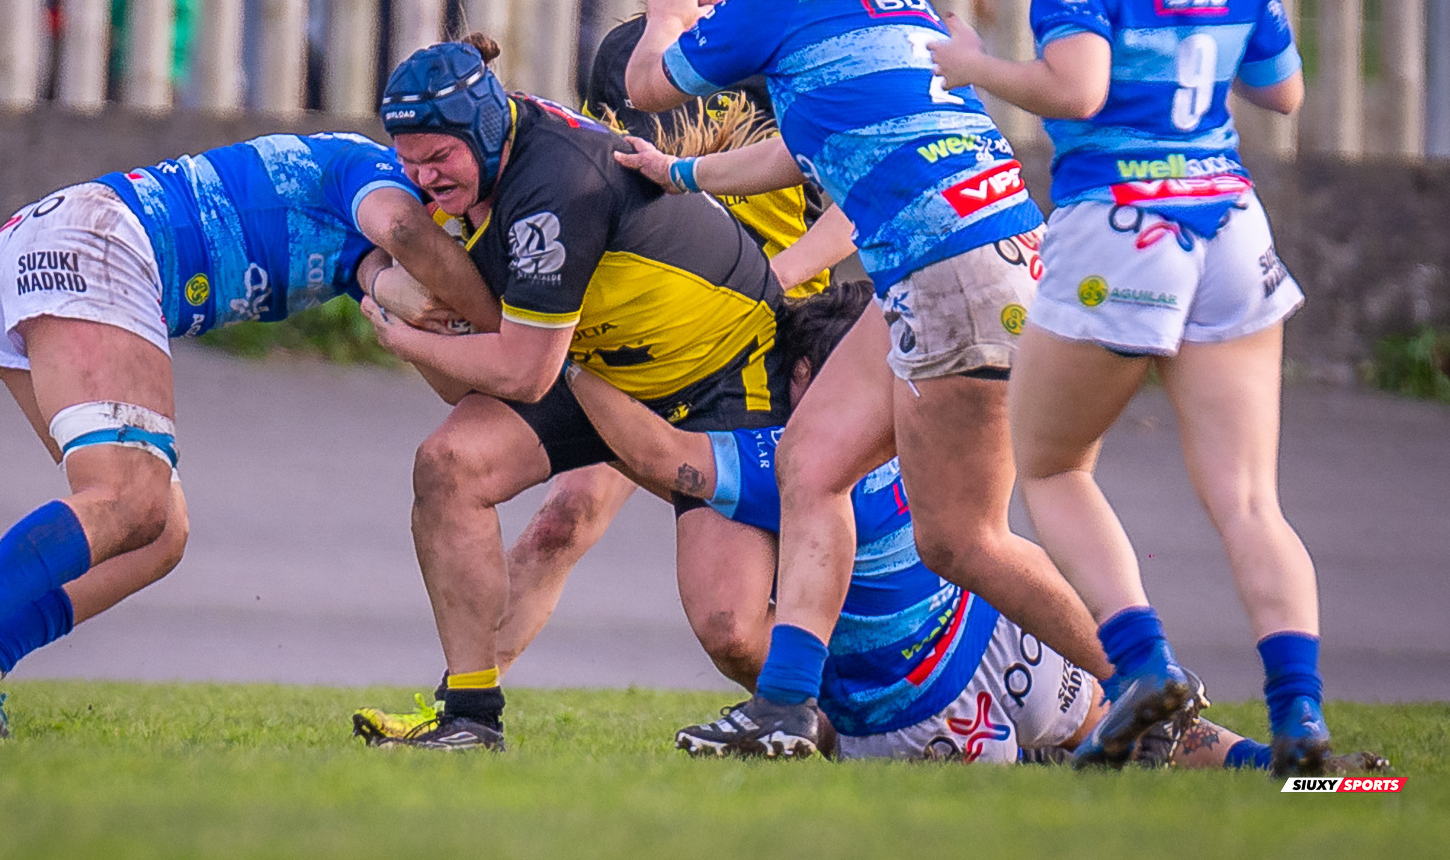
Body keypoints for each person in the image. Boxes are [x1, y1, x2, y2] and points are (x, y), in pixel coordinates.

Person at [620, 0, 1110, 759]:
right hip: (993, 258)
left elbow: (649, 82)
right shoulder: (903, 6)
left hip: (952, 274)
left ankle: (1141, 682)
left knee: (961, 541)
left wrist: (663, 8)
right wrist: (681, 179)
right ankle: (787, 709)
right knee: (815, 461)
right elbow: (803, 147)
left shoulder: (782, 2)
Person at [926, 0, 1327, 774]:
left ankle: (1141, 663)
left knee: (1051, 464)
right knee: (1248, 499)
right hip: (1229, 227)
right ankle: (1303, 728)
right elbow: (1282, 92)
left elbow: (1080, 88)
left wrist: (972, 65)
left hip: (1123, 230)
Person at [560, 281, 1385, 772]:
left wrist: (567, 357)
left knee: (1080, 755)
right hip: (998, 633)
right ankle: (1303, 772)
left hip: (910, 710)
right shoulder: (924, 426)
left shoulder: (789, 456)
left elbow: (661, 453)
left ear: (804, 374)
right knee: (1161, 739)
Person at [0, 132, 498, 738]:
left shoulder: (360, 250)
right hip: (97, 242)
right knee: (129, 498)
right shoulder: (381, 179)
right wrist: (510, 324)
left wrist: (434, 317)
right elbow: (408, 232)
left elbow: (423, 333)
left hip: (41, 245)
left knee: (157, 531)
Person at [350, 36, 793, 751]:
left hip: (722, 366)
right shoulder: (473, 179)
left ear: (487, 132)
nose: (424, 179)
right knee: (451, 465)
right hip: (603, 368)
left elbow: (522, 373)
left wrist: (405, 338)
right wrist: (392, 289)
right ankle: (469, 717)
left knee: (732, 629)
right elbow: (462, 385)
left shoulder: (554, 183)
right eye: (409, 163)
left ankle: (878, 720)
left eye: (439, 160)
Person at [491, 0, 853, 682]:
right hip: (651, 339)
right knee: (564, 517)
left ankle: (879, 714)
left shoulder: (794, 54)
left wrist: (783, 272)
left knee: (782, 592)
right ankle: (462, 707)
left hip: (766, 344)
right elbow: (591, 197)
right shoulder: (627, 54)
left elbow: (863, 197)